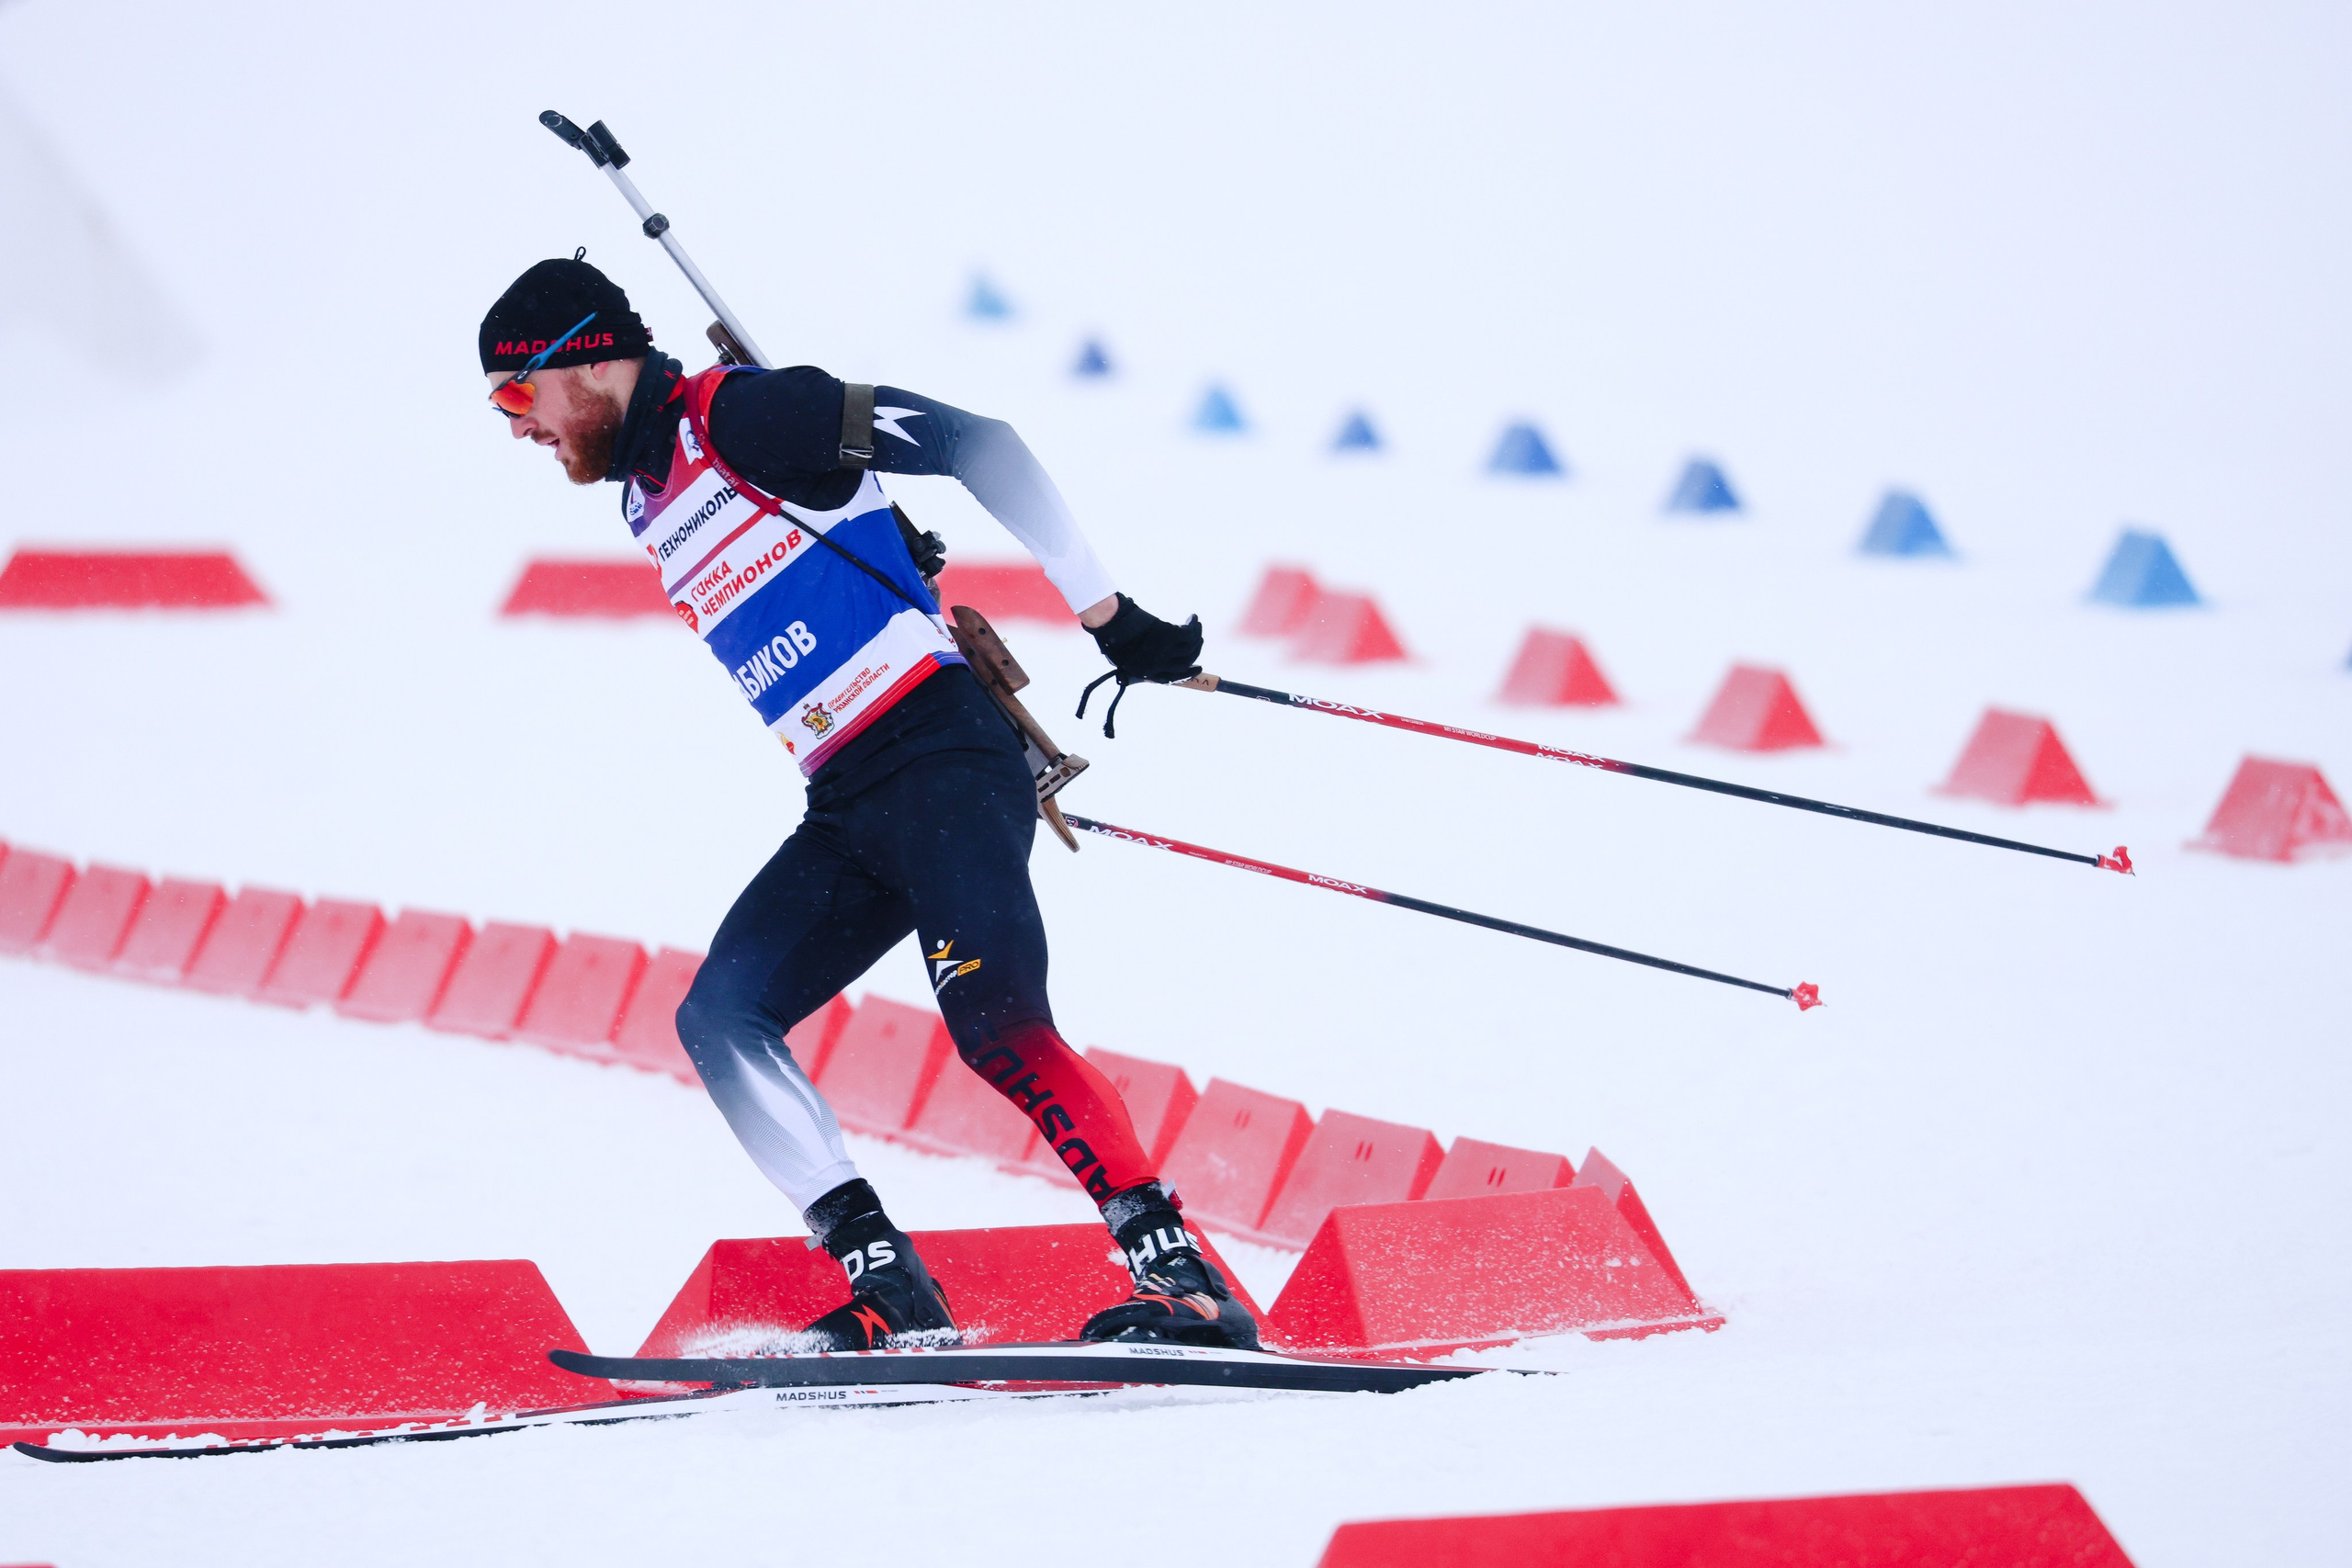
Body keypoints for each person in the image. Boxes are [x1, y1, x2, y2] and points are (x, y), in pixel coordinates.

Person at [480, 255, 1256, 1351]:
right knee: (719, 1017)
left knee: (997, 1027)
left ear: (588, 360)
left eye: (518, 397)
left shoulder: (750, 412)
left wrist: (1106, 612)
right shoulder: (645, 492)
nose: (516, 428)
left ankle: (1185, 1279)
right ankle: (891, 1286)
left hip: (943, 760)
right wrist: (883, 546)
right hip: (845, 799)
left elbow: (979, 442)